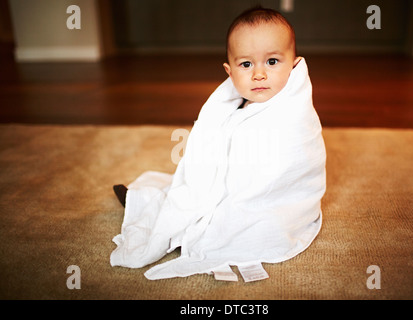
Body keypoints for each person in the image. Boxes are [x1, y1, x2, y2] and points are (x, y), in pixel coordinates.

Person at [111, 7, 326, 281]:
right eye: (246, 64)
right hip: (221, 185)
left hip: (272, 204)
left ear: (294, 64)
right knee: (182, 200)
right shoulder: (228, 107)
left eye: (272, 61)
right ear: (230, 71)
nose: (259, 73)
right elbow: (207, 154)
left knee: (242, 226)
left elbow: (293, 166)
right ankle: (153, 207)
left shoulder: (294, 114)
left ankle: (195, 224)